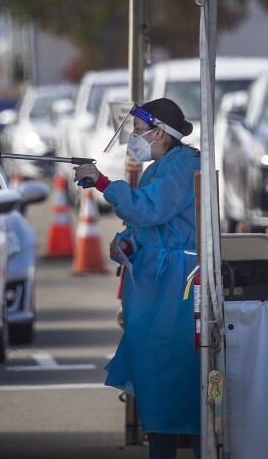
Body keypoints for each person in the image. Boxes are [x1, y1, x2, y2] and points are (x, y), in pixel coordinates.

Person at [74, 98, 201, 459]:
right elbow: (144, 222)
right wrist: (126, 242)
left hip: (178, 287)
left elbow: (150, 208)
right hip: (153, 290)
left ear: (159, 132)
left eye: (139, 129)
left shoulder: (185, 165)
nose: (134, 136)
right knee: (154, 382)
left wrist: (102, 182)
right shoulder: (156, 169)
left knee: (182, 377)